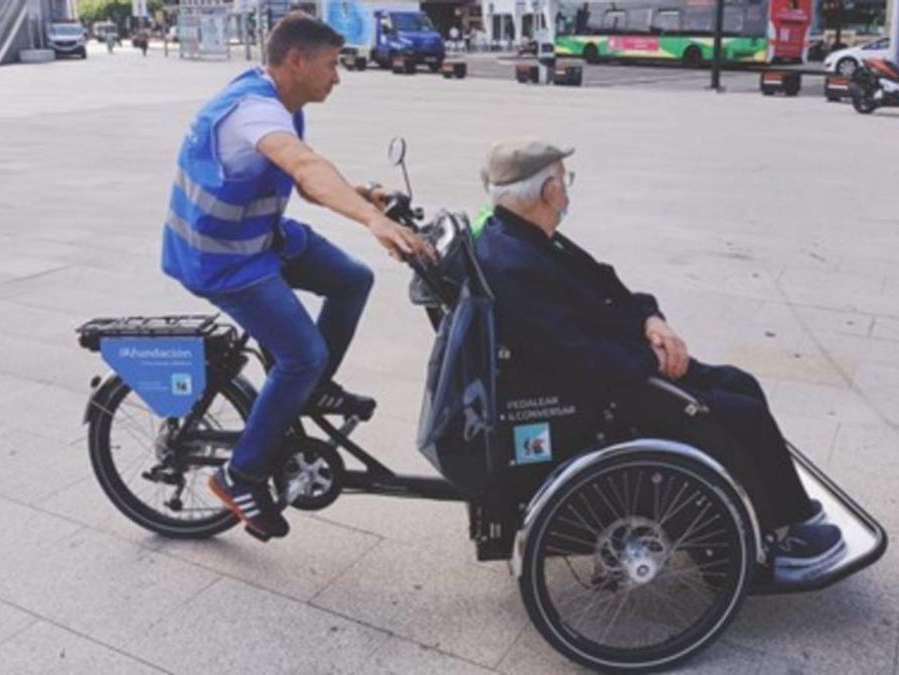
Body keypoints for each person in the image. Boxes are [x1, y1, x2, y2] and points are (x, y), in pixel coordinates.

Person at [473, 139, 845, 577]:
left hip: (620, 356)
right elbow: (573, 355)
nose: (568, 192)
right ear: (547, 191)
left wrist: (651, 319)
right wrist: (651, 361)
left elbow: (603, 283)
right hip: (601, 388)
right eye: (563, 181)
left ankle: (786, 507)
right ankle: (779, 537)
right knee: (738, 412)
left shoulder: (522, 237)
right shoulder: (515, 261)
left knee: (739, 382)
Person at [161, 13, 432, 542]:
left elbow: (302, 176)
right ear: (296, 61)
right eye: (332, 65)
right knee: (301, 354)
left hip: (262, 236)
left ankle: (309, 391)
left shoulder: (278, 102)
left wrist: (361, 196)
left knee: (352, 279)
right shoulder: (252, 111)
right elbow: (304, 166)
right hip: (222, 257)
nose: (337, 77)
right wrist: (372, 221)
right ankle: (239, 475)